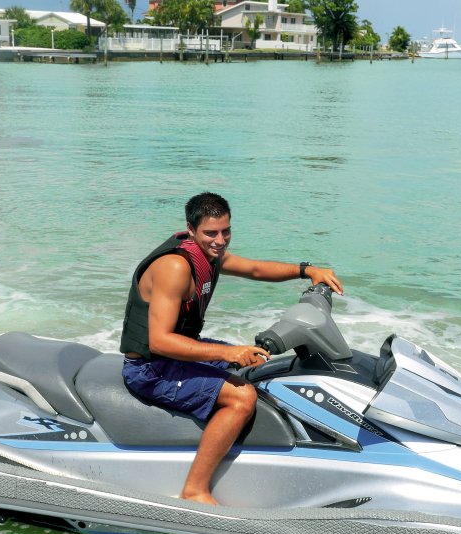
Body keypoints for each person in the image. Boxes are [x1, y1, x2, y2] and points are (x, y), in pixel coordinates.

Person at [119, 192, 343, 505]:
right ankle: (195, 489)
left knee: (255, 364)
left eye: (226, 231)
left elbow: (254, 269)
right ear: (191, 229)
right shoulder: (175, 268)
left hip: (177, 353)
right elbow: (159, 341)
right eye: (211, 233)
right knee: (242, 397)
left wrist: (306, 270)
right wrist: (226, 353)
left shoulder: (208, 254)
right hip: (151, 368)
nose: (220, 240)